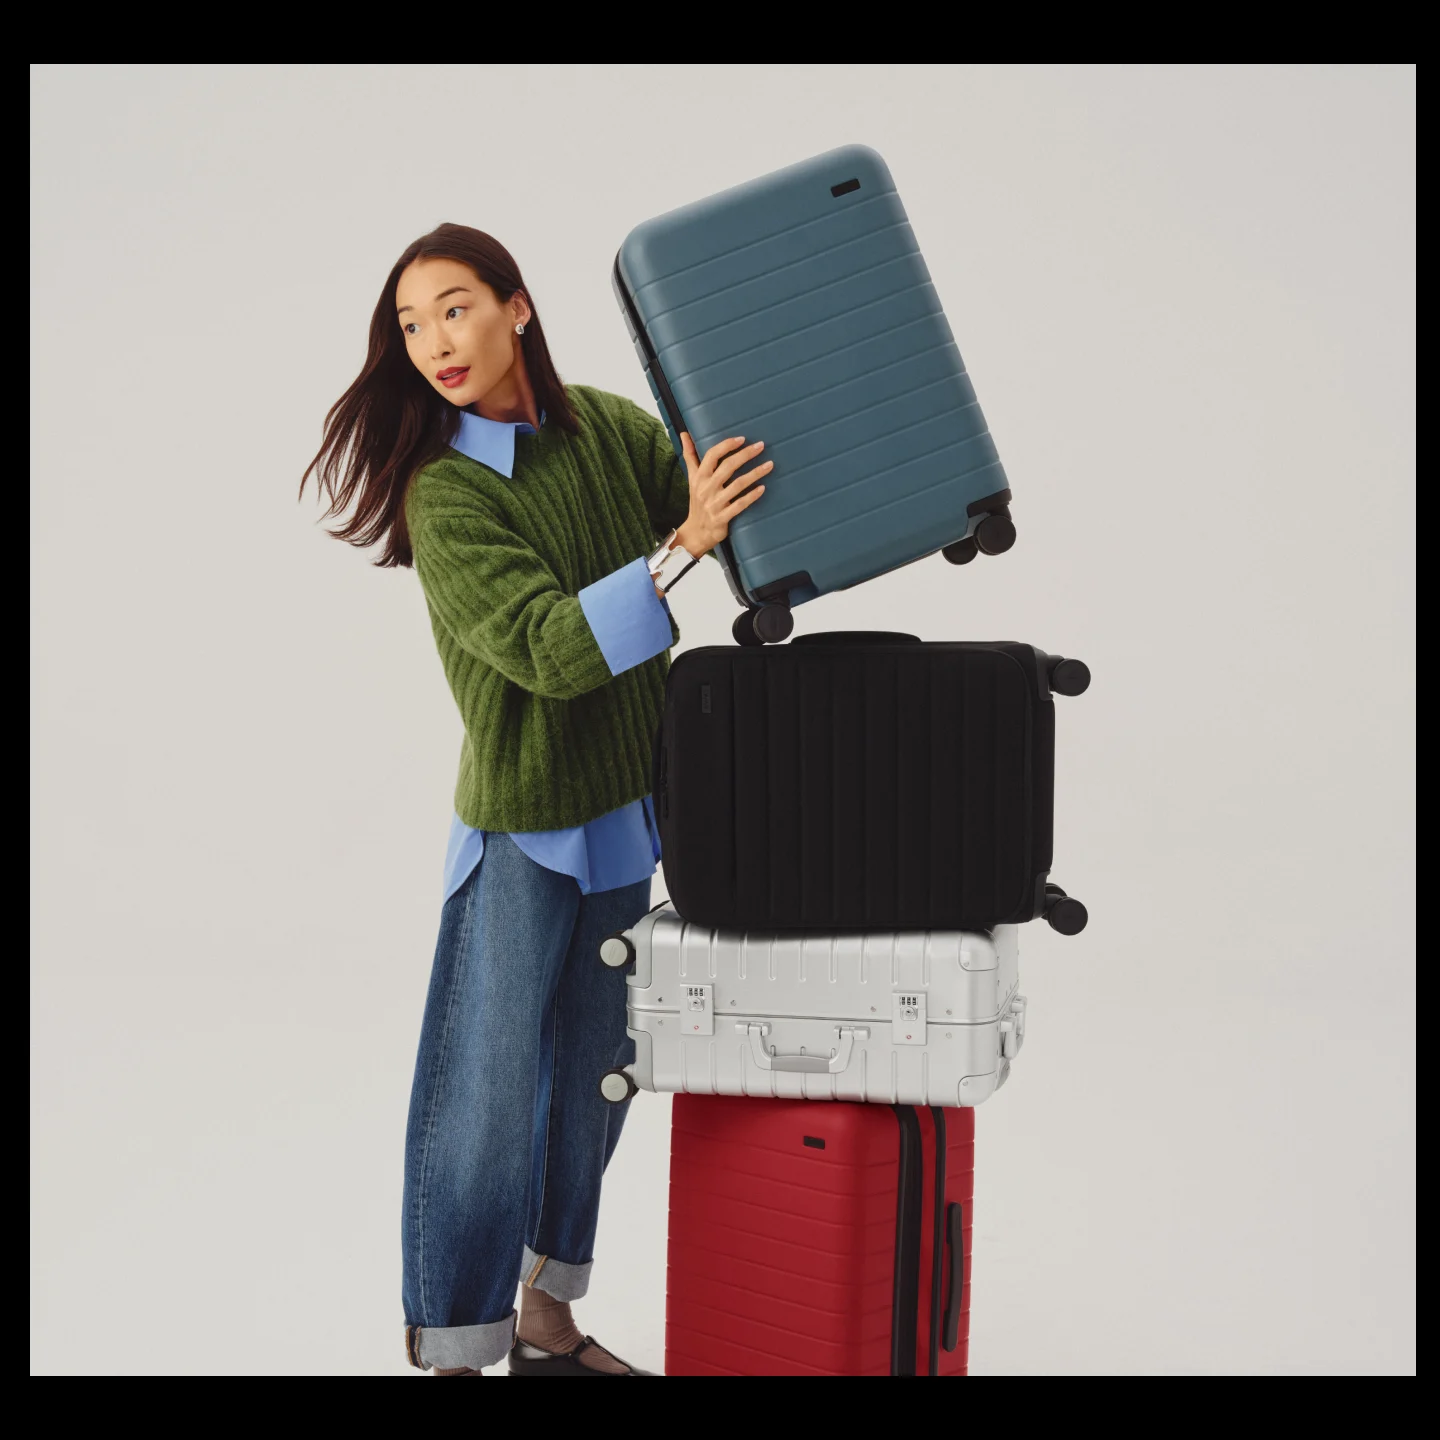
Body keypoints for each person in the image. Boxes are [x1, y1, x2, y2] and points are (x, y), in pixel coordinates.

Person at [302, 224, 770, 1375]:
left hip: (630, 814)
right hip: (521, 835)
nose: (433, 343)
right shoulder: (446, 497)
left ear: (517, 308)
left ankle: (548, 1319)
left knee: (596, 1085)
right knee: (485, 1102)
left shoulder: (603, 427)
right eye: (411, 326)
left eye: (454, 309)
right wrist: (682, 551)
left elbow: (714, 495)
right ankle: (459, 1349)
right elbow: (553, 649)